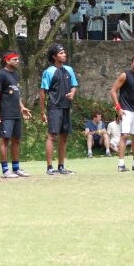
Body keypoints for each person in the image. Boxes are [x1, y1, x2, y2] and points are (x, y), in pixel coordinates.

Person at [0, 51, 33, 178]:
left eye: (17, 59)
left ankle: (16, 169)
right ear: (7, 60)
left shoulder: (15, 75)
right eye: (15, 59)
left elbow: (16, 94)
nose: (17, 61)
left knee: (16, 140)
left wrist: (22, 108)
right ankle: (5, 171)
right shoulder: (1, 75)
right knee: (5, 140)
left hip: (16, 113)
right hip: (5, 113)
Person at [40, 44, 79, 175]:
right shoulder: (49, 71)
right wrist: (42, 111)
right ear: (54, 56)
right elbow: (43, 92)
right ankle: (49, 167)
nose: (64, 55)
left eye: (64, 52)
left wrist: (72, 93)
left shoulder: (69, 69)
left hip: (66, 107)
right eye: (61, 53)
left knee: (64, 137)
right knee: (52, 136)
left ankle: (61, 166)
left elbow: (74, 85)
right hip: (54, 108)